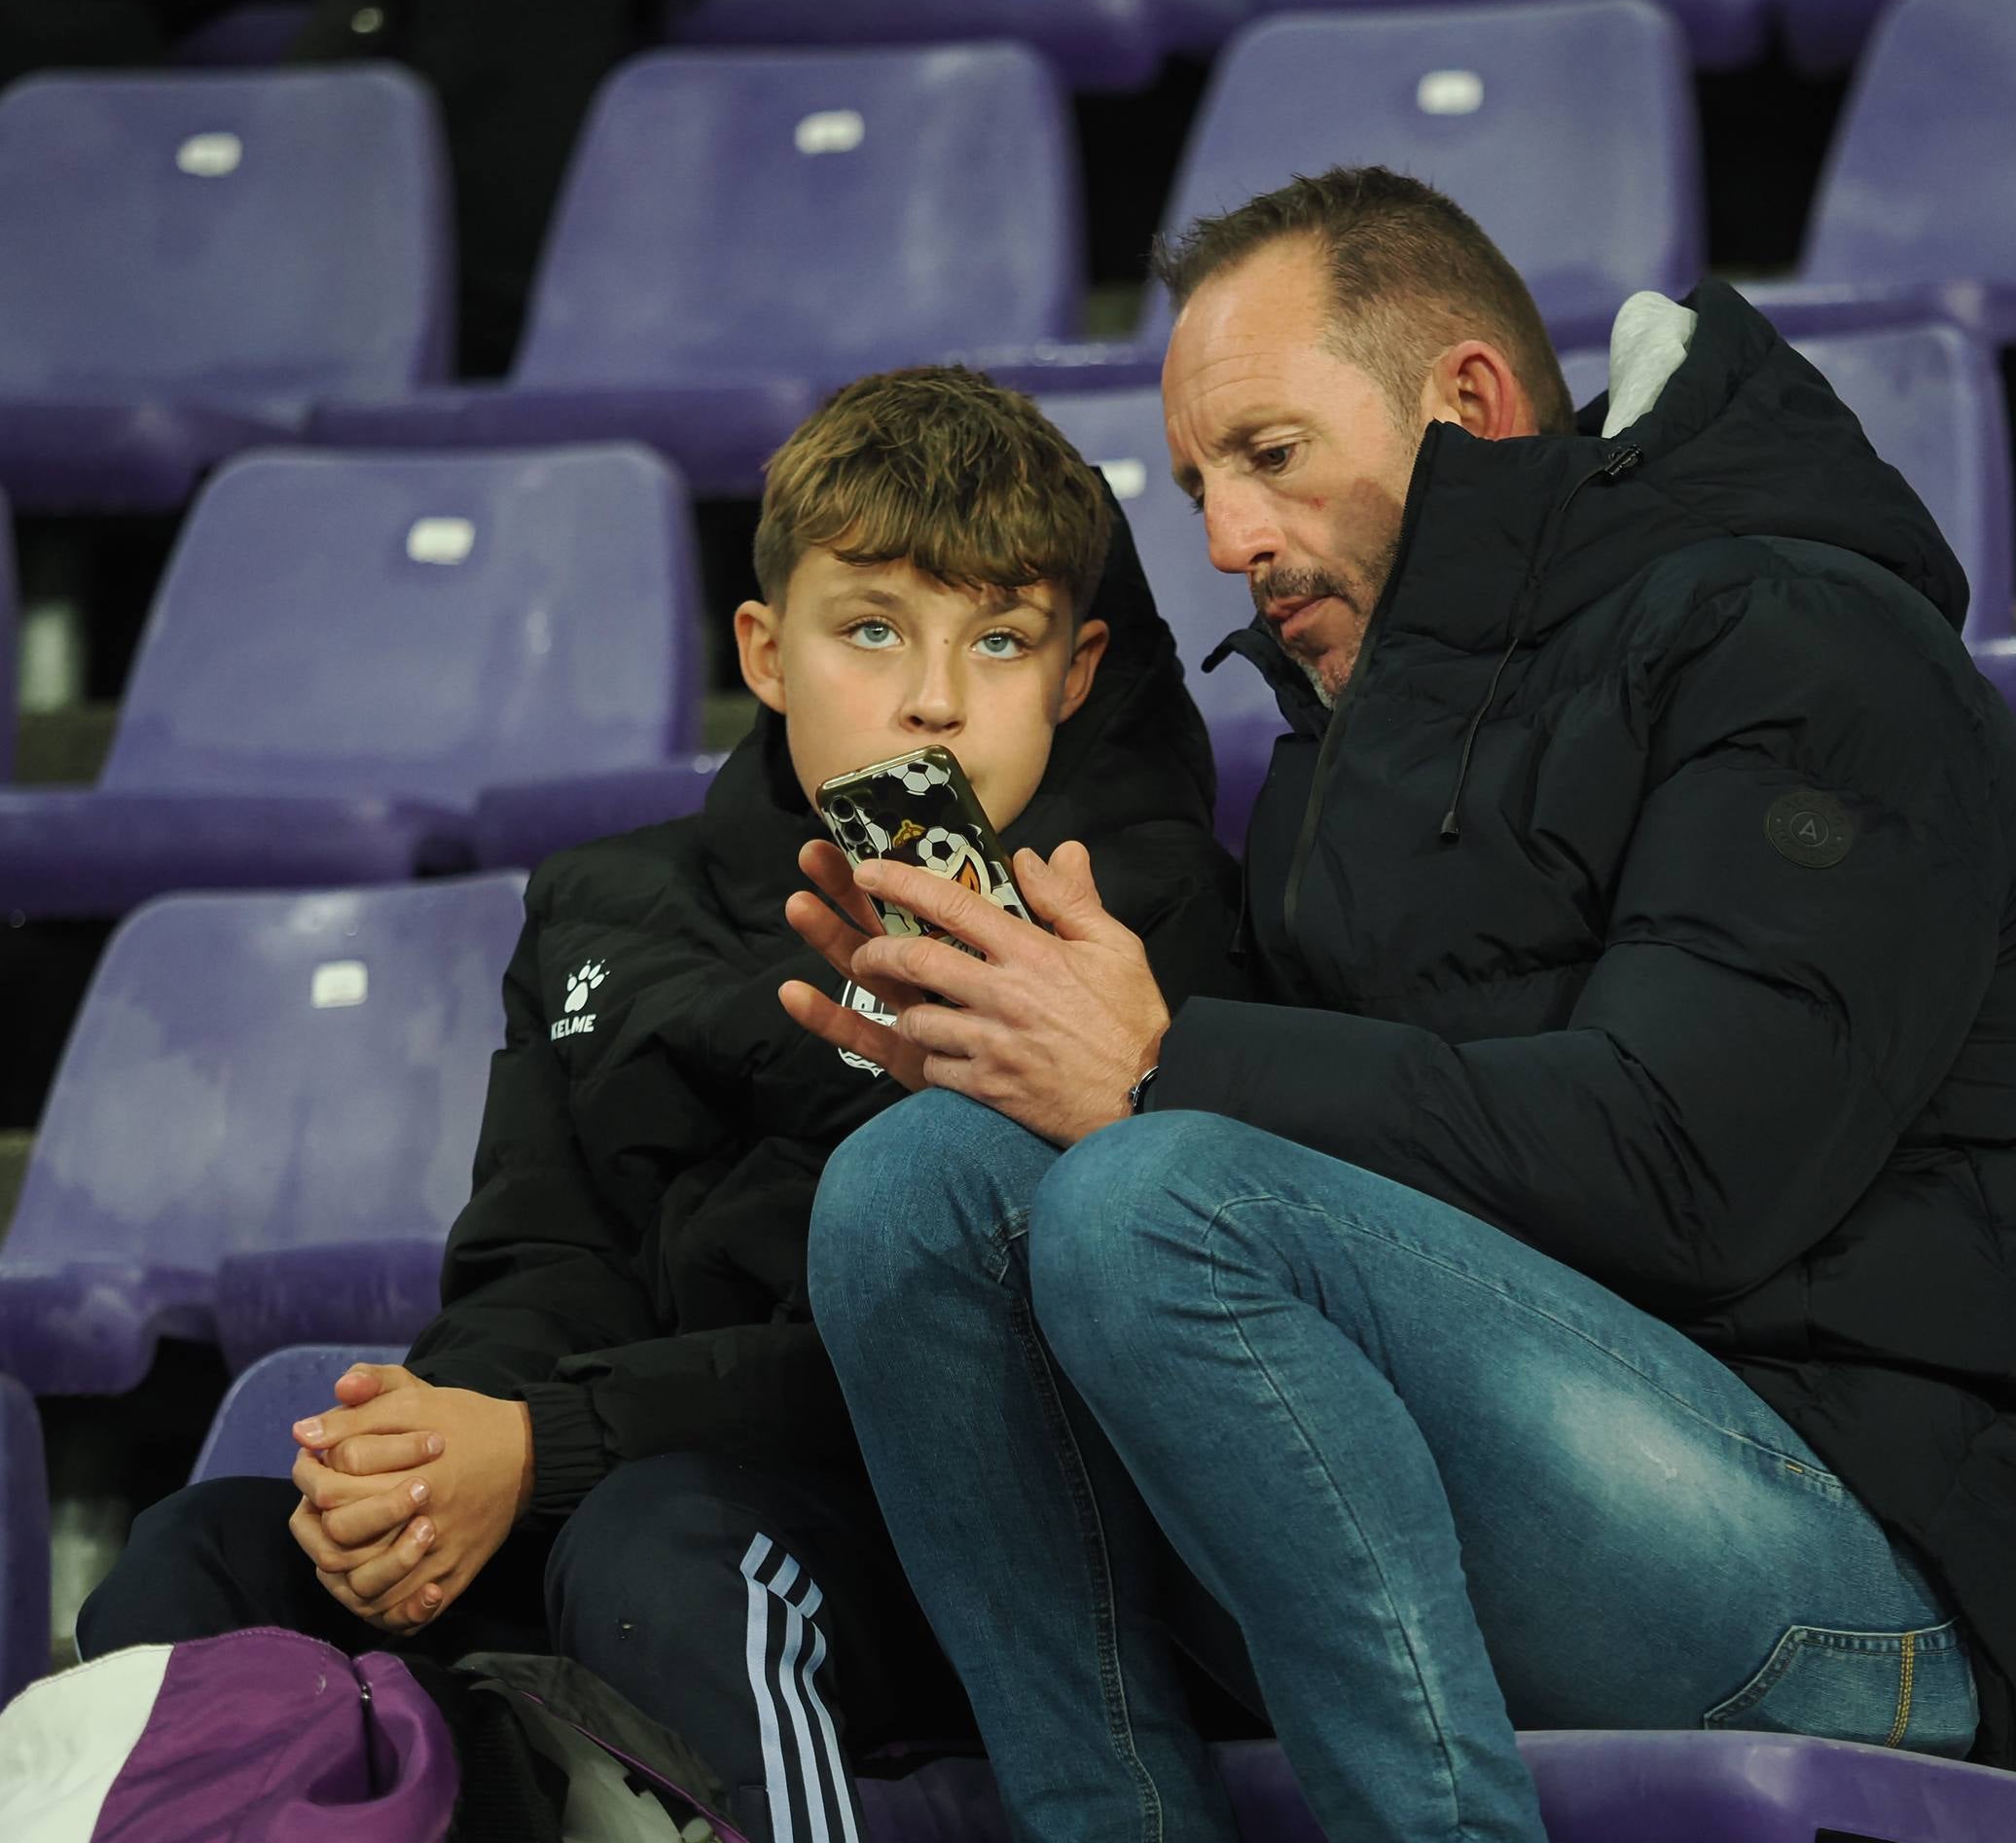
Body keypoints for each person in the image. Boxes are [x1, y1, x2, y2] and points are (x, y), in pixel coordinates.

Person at [791, 168, 2016, 1841]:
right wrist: (1009, 1022)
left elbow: (1691, 1171)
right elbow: (1336, 1171)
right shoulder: (1349, 766)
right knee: (919, 1189)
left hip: (1868, 1566)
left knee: (1155, 1202)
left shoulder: (1802, 639)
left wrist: (1157, 1063)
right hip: (1570, 1462)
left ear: (1469, 400)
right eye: (1198, 487)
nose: (1227, 539)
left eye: (1271, 457)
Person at [77, 366, 1242, 1843]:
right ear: (764, 649)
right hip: (592, 1476)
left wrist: (545, 1447)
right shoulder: (602, 903)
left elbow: (946, 1344)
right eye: (871, 629)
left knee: (665, 1548)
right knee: (205, 1552)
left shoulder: (1118, 932)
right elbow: (535, 1258)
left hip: (916, 1527)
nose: (934, 696)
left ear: (1075, 675)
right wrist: (433, 1454)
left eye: (998, 641)